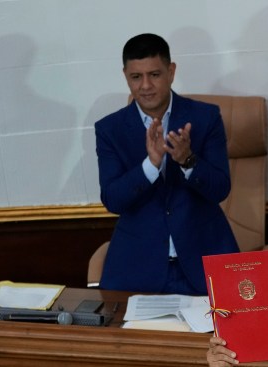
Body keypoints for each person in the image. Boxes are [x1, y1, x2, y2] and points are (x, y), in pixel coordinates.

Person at [95, 33, 238, 294]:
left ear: (171, 72)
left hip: (203, 263)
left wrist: (187, 160)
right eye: (136, 77)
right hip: (138, 269)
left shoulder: (205, 118)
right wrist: (150, 165)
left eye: (155, 74)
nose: (146, 86)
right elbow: (113, 200)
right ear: (126, 75)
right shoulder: (110, 129)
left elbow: (220, 189)